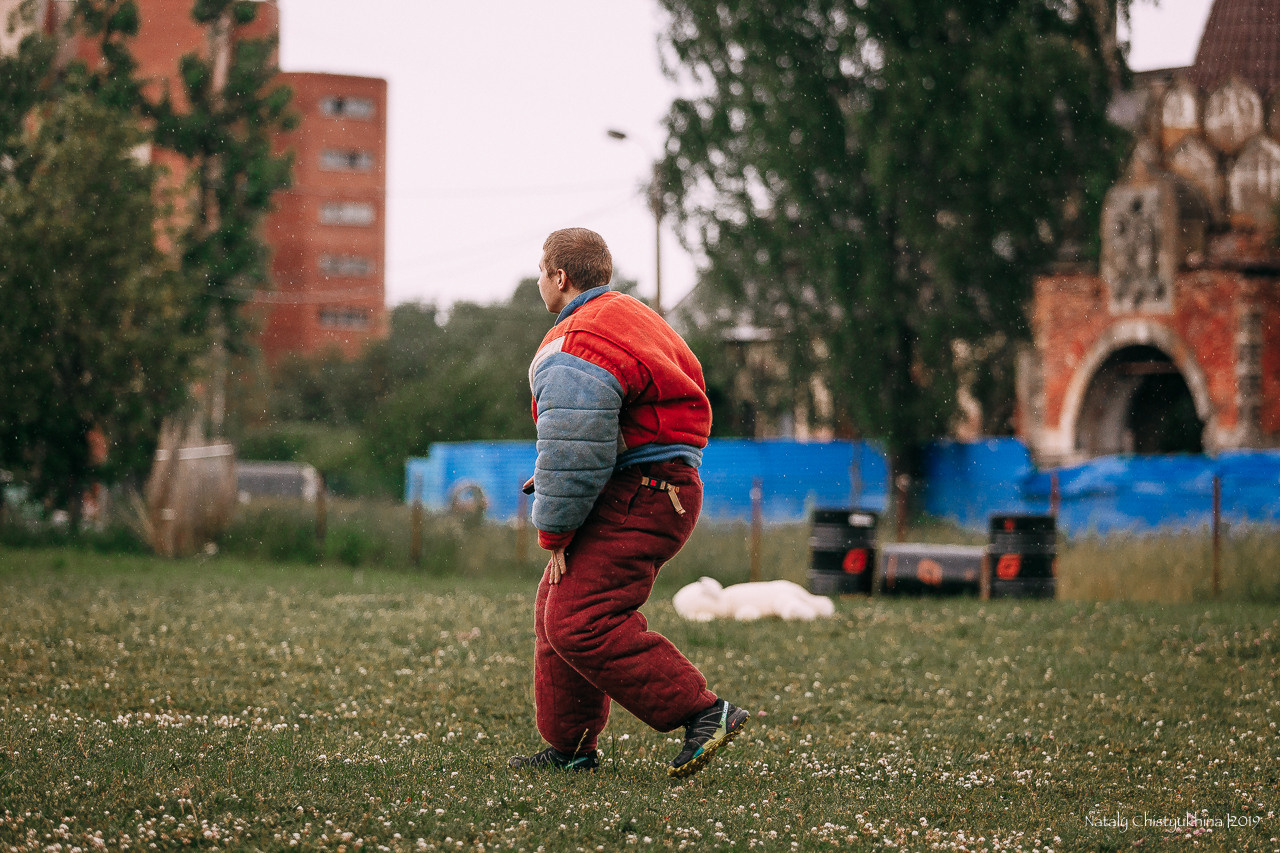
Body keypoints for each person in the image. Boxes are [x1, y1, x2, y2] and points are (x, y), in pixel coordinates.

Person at [508, 227, 748, 778]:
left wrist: (556, 533)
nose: (538, 281)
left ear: (560, 277)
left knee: (579, 620)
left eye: (541, 271)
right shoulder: (634, 316)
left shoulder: (574, 342)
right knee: (556, 610)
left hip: (645, 489)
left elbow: (573, 452)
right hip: (658, 482)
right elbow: (610, 430)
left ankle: (704, 712)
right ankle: (570, 748)